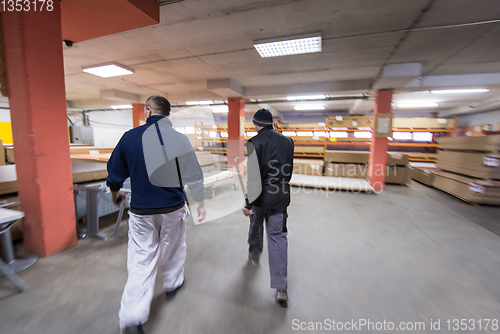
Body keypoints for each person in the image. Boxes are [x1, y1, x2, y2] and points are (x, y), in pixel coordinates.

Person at [107, 95, 206, 334]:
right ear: (167, 115)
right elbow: (193, 173)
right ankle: (172, 283)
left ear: (148, 111)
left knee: (141, 260)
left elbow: (115, 169)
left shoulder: (129, 138)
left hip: (141, 210)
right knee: (174, 246)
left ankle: (132, 319)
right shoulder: (179, 139)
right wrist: (200, 201)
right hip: (172, 207)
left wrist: (114, 190)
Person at [242, 108, 294, 305]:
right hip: (280, 197)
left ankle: (255, 254)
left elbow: (254, 177)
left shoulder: (254, 142)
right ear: (271, 123)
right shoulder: (288, 141)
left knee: (256, 225)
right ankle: (281, 288)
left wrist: (249, 203)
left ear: (256, 124)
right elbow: (289, 170)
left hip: (261, 197)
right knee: (278, 238)